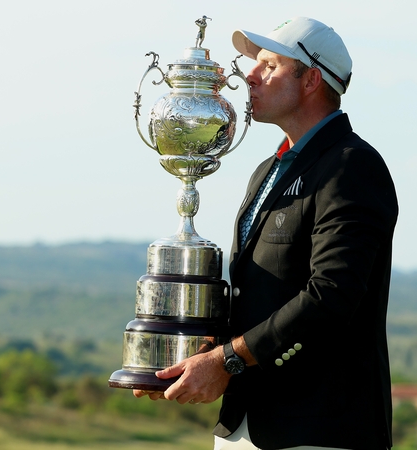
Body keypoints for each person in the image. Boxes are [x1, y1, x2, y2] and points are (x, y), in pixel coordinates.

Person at [135, 16, 398, 449]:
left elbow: (331, 297)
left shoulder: (352, 166)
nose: (250, 75)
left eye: (269, 65)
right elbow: (257, 296)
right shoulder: (268, 171)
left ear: (312, 79)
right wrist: (181, 360)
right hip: (245, 426)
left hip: (318, 431)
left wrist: (228, 361)